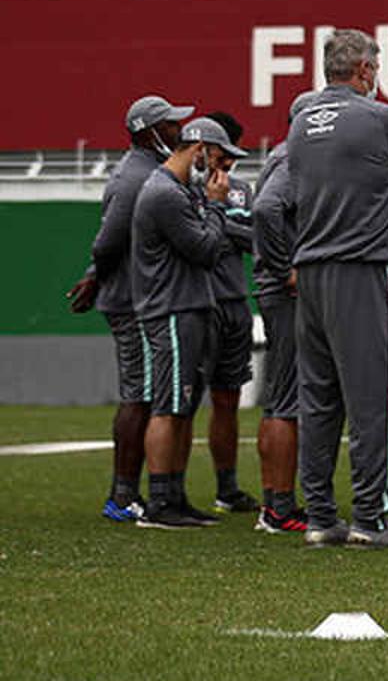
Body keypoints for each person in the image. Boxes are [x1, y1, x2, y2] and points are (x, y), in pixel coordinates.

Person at [288, 29, 388, 548]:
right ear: (365, 71)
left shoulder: (301, 120)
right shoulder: (382, 119)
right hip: (367, 268)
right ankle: (371, 518)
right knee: (374, 398)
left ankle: (320, 517)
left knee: (319, 400)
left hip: (309, 271)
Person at [70, 94, 194, 523]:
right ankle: (122, 496)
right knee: (139, 396)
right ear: (149, 131)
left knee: (147, 395)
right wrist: (96, 275)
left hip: (138, 295)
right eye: (171, 124)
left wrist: (95, 275)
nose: (180, 131)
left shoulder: (149, 172)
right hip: (133, 300)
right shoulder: (134, 178)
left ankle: (137, 493)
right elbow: (108, 242)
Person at [130, 117, 246, 529]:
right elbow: (205, 249)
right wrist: (216, 205)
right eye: (217, 158)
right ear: (199, 151)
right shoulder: (165, 193)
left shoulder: (180, 190)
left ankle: (175, 496)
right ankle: (160, 500)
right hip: (172, 308)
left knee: (183, 406)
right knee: (169, 406)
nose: (221, 171)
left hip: (189, 305)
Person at [249, 95, 314, 533]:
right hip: (286, 293)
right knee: (287, 400)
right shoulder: (294, 156)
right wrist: (286, 268)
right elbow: (266, 209)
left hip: (277, 290)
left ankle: (275, 502)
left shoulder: (280, 154)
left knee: (279, 398)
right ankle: (280, 507)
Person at [199, 110, 259, 515]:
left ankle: (227, 487)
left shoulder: (240, 190)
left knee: (227, 398)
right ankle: (165, 491)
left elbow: (256, 236)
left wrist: (219, 223)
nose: (229, 164)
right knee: (178, 403)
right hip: (194, 303)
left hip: (234, 301)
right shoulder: (177, 186)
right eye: (223, 154)